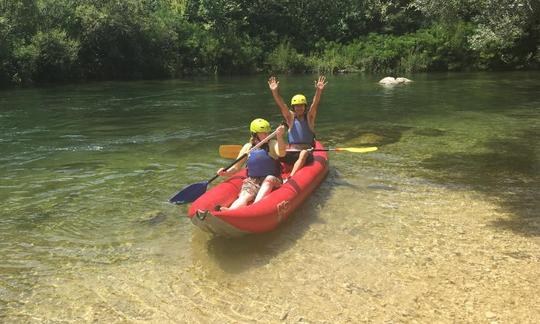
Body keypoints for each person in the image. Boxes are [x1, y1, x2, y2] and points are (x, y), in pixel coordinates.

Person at [216, 119, 286, 211]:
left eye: (268, 132)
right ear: (255, 134)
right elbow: (236, 168)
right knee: (245, 195)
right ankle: (230, 211)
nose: (267, 135)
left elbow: (282, 153)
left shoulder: (272, 144)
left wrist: (279, 137)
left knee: (268, 180)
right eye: (263, 133)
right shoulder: (247, 147)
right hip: (253, 180)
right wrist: (225, 172)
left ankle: (254, 208)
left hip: (273, 178)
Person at [268, 75, 327, 180]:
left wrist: (318, 91)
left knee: (303, 153)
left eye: (301, 105)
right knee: (274, 152)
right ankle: (269, 174)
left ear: (305, 107)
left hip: (306, 152)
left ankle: (291, 177)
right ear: (293, 107)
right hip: (291, 153)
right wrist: (275, 92)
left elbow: (315, 103)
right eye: (297, 106)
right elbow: (281, 104)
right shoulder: (290, 118)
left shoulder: (309, 117)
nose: (299, 108)